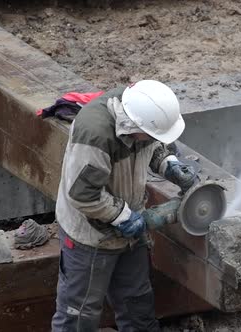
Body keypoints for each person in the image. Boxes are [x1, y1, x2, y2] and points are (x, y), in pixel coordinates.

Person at [51, 80, 197, 331]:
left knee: (137, 305)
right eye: (150, 135)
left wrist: (169, 164)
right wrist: (123, 216)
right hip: (90, 236)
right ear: (134, 126)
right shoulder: (95, 135)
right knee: (78, 316)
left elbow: (152, 144)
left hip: (130, 232)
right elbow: (82, 194)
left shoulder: (142, 111)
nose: (152, 139)